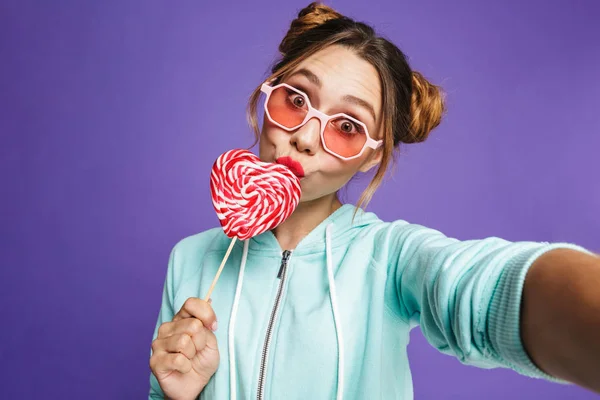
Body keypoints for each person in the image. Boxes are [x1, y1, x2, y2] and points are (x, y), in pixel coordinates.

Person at [148, 3, 599, 399]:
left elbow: (479, 292)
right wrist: (180, 396)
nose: (304, 137)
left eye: (347, 127)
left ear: (371, 156)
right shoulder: (190, 259)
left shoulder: (391, 258)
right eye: (296, 99)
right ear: (267, 96)